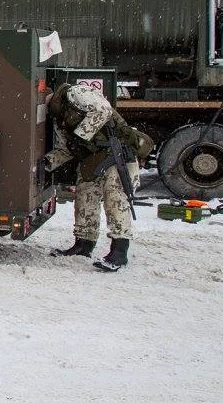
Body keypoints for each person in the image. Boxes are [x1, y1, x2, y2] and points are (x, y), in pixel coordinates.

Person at [41, 82, 154, 271]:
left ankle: (119, 251)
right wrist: (45, 163)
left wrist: (81, 136)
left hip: (115, 152)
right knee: (85, 198)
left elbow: (102, 110)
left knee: (115, 200)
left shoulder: (75, 93)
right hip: (92, 158)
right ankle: (83, 244)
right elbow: (66, 149)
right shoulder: (60, 118)